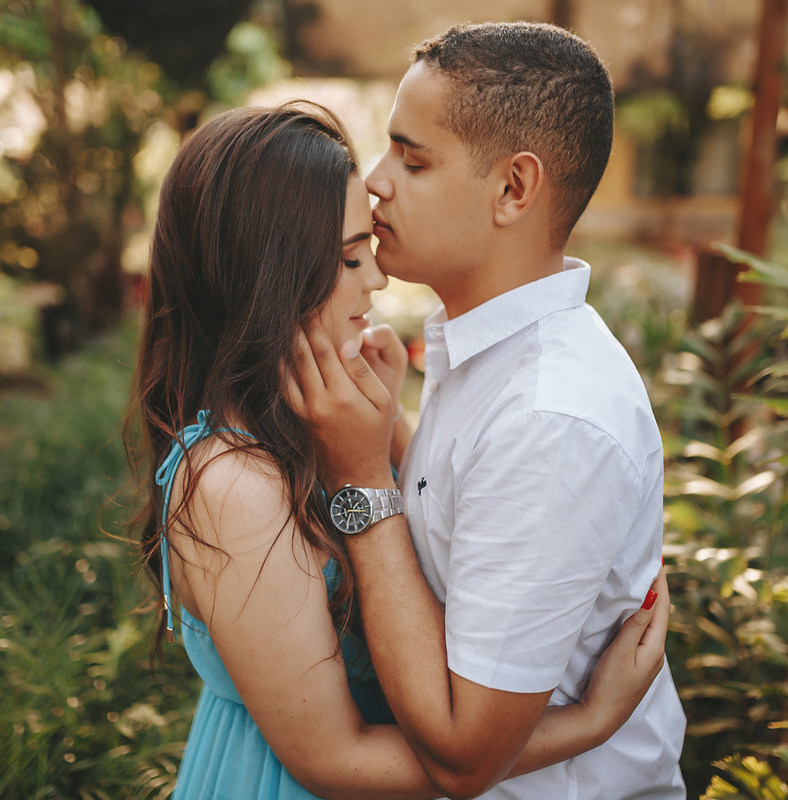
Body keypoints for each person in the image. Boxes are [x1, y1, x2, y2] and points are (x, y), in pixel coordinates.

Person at [126, 100, 672, 800]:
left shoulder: (310, 423)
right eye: (350, 257)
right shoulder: (237, 486)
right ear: (268, 276)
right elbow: (335, 760)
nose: (377, 279)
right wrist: (591, 721)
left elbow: (422, 537)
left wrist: (386, 430)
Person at [287, 22, 687, 800]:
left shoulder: (551, 417)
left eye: (413, 160)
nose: (376, 182)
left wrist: (359, 479)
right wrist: (384, 432)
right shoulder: (489, 351)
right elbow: (461, 509)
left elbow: (463, 757)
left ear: (513, 189)